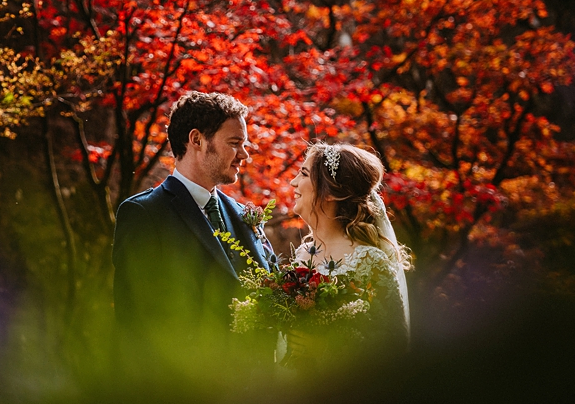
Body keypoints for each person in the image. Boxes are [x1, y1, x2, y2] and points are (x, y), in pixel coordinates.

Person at [112, 91, 275, 345]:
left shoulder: (246, 216)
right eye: (234, 143)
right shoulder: (145, 214)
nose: (244, 154)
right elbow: (136, 323)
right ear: (196, 140)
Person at [285, 142, 410, 361]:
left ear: (331, 193)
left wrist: (325, 348)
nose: (293, 182)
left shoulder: (370, 260)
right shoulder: (303, 254)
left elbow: (394, 344)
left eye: (303, 174)